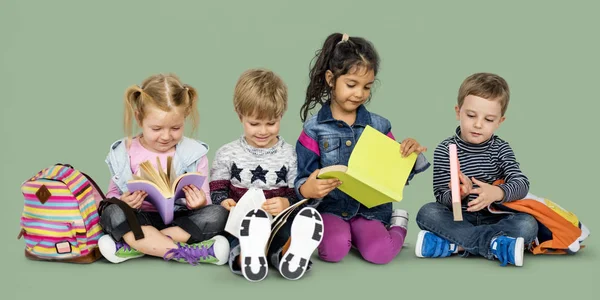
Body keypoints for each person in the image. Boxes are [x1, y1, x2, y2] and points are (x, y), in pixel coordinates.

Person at [294, 33, 430, 265]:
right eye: (351, 84)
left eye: (366, 87)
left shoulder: (380, 125)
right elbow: (301, 178)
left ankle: (396, 225)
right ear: (330, 79)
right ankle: (350, 236)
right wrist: (308, 188)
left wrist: (412, 154)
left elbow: (394, 177)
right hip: (331, 208)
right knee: (333, 252)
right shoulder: (313, 128)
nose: (359, 94)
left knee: (380, 254)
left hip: (370, 209)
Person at [97, 73, 230, 265]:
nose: (166, 136)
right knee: (111, 213)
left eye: (175, 128)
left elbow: (207, 199)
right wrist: (124, 201)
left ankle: (138, 246)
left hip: (180, 219)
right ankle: (188, 253)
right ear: (139, 119)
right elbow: (111, 195)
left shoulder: (194, 153)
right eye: (156, 128)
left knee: (218, 214)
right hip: (139, 218)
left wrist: (200, 203)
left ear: (185, 118)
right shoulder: (125, 152)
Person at [210, 68, 323, 282]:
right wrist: (224, 202)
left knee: (285, 232)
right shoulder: (227, 153)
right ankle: (249, 256)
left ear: (281, 115)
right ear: (240, 115)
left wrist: (285, 202)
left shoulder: (290, 154)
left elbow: (295, 192)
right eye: (254, 124)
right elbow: (217, 189)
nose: (263, 131)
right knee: (237, 238)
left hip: (277, 220)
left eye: (271, 123)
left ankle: (290, 255)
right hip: (242, 222)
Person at [414, 72, 538, 267]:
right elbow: (441, 197)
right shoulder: (445, 149)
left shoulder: (501, 149)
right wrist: (459, 194)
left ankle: (455, 245)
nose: (478, 124)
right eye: (471, 115)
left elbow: (522, 184)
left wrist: (497, 192)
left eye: (489, 119)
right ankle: (495, 245)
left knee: (528, 224)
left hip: (495, 217)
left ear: (500, 121)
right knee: (427, 212)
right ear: (458, 112)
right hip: (458, 218)